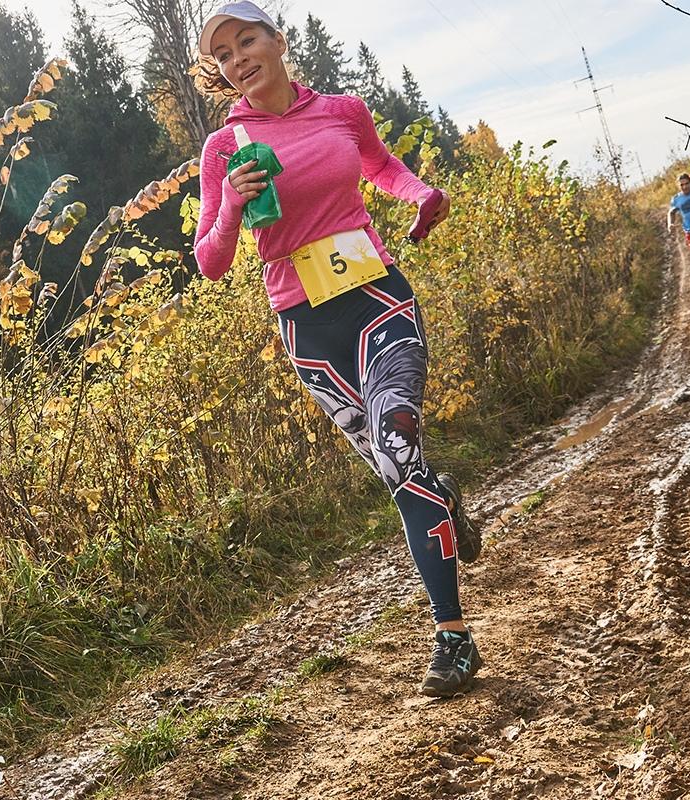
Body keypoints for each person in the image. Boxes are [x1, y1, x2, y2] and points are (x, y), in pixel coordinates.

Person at [192, 0, 483, 698]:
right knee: (401, 472)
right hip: (306, 329)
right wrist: (232, 205)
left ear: (278, 39)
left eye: (248, 40)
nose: (238, 59)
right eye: (225, 54)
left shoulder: (342, 111)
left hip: (378, 299)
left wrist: (423, 194)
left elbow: (382, 167)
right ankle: (439, 494)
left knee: (398, 436)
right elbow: (208, 260)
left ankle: (454, 638)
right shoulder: (223, 148)